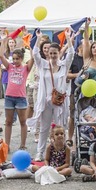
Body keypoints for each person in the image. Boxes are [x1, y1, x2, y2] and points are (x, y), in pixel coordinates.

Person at [27, 30, 75, 161]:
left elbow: (71, 53)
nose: (53, 55)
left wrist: (67, 39)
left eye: (55, 53)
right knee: (44, 128)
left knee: (60, 129)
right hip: (46, 101)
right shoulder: (43, 64)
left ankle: (61, 152)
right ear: (48, 53)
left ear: (59, 53)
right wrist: (37, 38)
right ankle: (40, 152)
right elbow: (35, 53)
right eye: (51, 53)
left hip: (59, 102)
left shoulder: (64, 65)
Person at [0, 37, 33, 152]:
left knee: (23, 122)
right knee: (8, 122)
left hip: (21, 98)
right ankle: (6, 145)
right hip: (9, 97)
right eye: (13, 59)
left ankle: (23, 144)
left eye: (17, 59)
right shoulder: (9, 67)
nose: (15, 61)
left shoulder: (25, 68)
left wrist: (32, 44)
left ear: (22, 59)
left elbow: (33, 58)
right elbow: (1, 56)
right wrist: (3, 42)